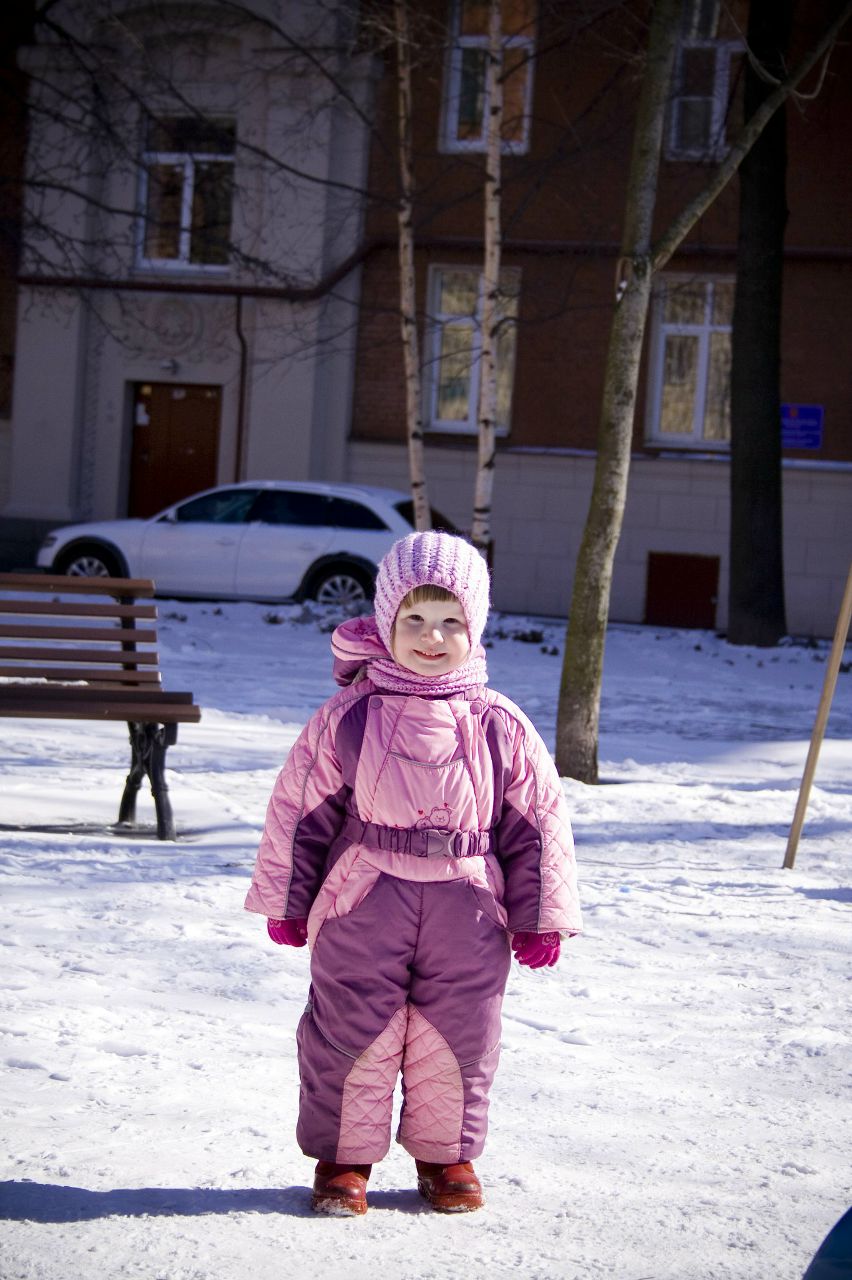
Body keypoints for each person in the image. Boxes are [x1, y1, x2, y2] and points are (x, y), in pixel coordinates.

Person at [245, 531, 582, 1215]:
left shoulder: (498, 723)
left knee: (461, 1028)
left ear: (476, 625)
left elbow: (538, 823)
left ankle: (445, 1156)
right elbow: (299, 809)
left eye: (452, 621)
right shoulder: (351, 716)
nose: (433, 638)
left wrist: (541, 916)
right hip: (365, 894)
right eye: (415, 620)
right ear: (387, 622)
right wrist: (288, 897)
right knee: (349, 1024)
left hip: (468, 902)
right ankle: (344, 1159)